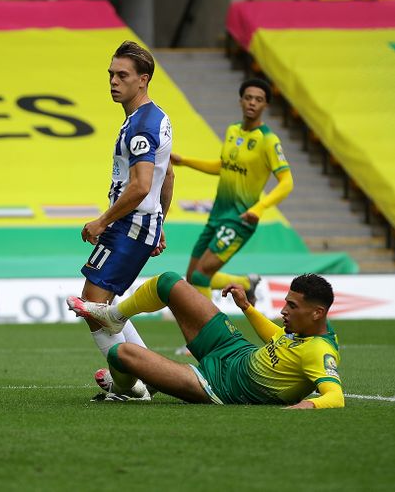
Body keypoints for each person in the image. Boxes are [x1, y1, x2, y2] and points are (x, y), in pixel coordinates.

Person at [65, 40, 175, 399]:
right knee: (106, 308)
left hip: (129, 225)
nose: (113, 81)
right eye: (111, 74)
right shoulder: (155, 116)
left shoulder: (140, 125)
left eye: (122, 75)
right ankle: (147, 378)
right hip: (142, 224)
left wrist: (102, 221)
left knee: (94, 307)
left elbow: (142, 186)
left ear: (143, 79)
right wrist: (161, 223)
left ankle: (132, 385)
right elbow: (168, 174)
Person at [69, 271, 344, 408]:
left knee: (121, 354)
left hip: (217, 385)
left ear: (318, 312)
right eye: (286, 302)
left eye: (292, 307)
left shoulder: (319, 351)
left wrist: (309, 404)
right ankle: (115, 315)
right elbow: (275, 336)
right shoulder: (307, 329)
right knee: (169, 282)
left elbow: (335, 396)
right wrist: (247, 307)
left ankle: (128, 389)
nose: (283, 310)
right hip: (234, 349)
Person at [171, 78, 293, 304]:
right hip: (218, 214)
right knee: (191, 277)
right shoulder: (232, 131)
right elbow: (223, 166)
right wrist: (185, 161)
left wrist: (259, 208)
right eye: (248, 98)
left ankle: (206, 337)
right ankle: (247, 283)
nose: (252, 103)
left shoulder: (268, 140)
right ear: (240, 101)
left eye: (259, 100)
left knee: (200, 275)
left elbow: (287, 181)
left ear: (265, 106)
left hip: (241, 218)